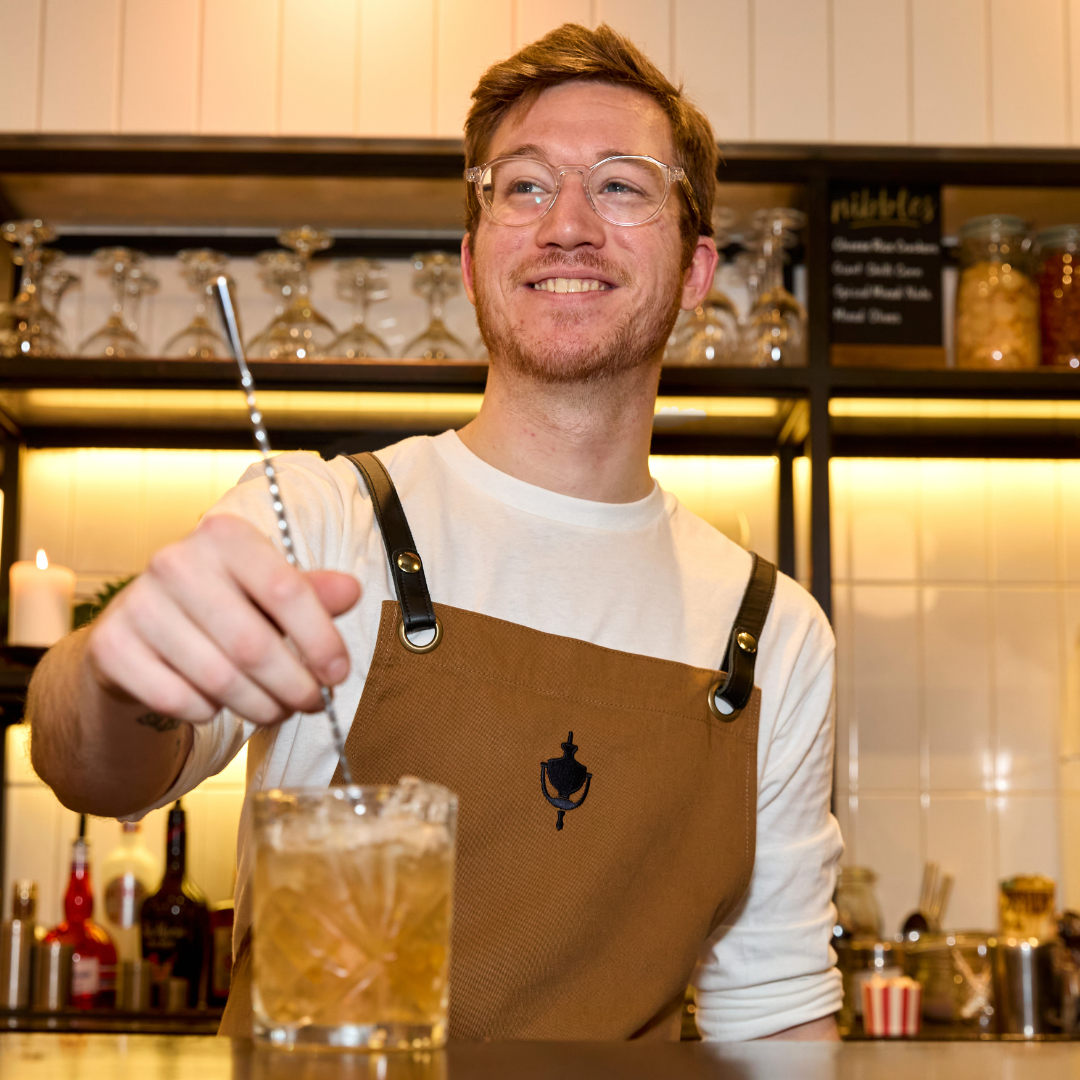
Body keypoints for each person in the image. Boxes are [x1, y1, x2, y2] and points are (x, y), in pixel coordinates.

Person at [27, 24, 842, 1041]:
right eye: (525, 186)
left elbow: (776, 1022)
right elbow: (93, 768)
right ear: (471, 258)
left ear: (694, 269)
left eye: (622, 187)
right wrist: (114, 676)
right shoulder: (317, 518)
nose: (569, 225)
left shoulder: (777, 633)